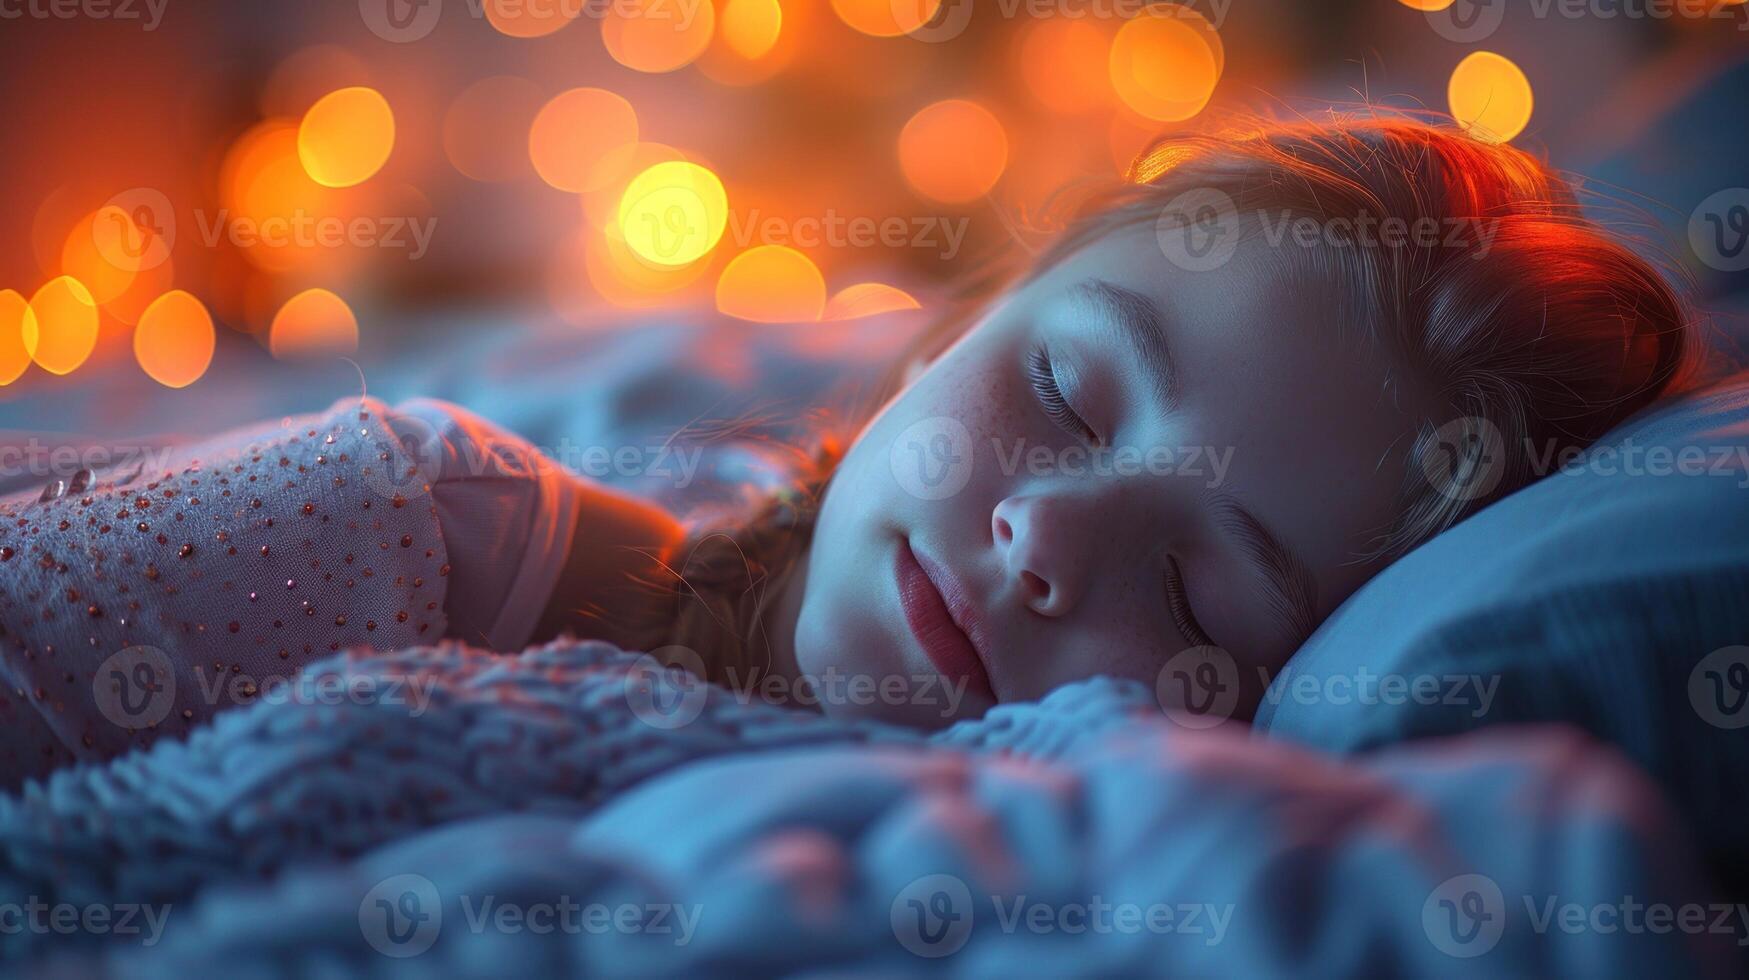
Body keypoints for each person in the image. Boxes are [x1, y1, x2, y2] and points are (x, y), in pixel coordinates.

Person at [0, 116, 1694, 786]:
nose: (1041, 529)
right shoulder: (399, 520)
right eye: (1074, 394)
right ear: (950, 331)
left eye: (1191, 579)